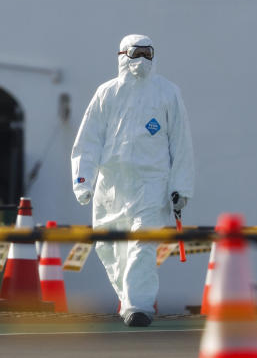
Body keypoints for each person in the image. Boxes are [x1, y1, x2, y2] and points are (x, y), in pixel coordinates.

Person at [71, 34, 195, 327]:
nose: (140, 60)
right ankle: (129, 299)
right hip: (111, 186)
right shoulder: (106, 94)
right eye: (135, 53)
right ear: (121, 55)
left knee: (142, 244)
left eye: (147, 53)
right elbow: (88, 140)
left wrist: (181, 187)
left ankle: (138, 306)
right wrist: (83, 181)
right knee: (108, 245)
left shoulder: (167, 93)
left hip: (152, 185)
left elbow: (181, 143)